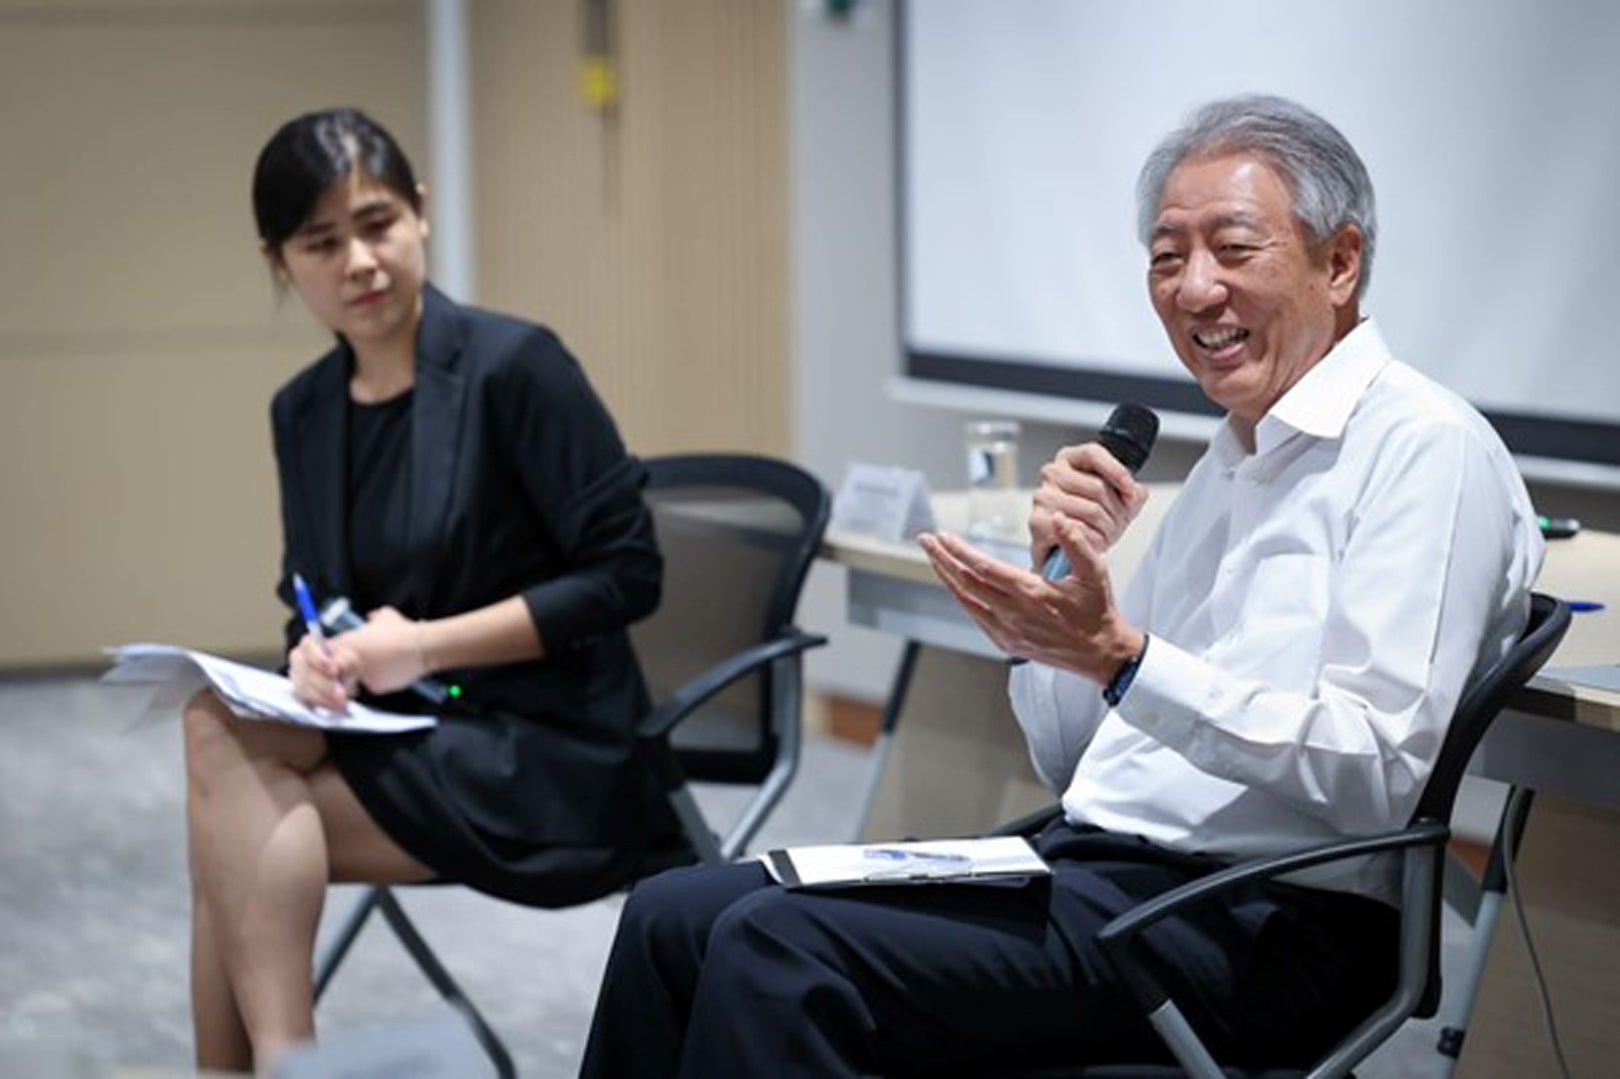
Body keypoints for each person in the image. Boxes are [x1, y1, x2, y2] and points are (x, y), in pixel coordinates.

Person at [577, 94, 1544, 1078]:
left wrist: (1123, 659)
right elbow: (1073, 753)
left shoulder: (1424, 450)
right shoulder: (1229, 462)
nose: (1194, 289)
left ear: (1339, 263)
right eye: (1167, 257)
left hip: (1264, 918)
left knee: (778, 952)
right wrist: (1052, 615)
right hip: (1103, 866)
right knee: (674, 911)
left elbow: (1374, 771)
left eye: (1232, 248)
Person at [182, 107, 675, 1072]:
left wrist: (425, 645)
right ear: (280, 261)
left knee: (227, 835)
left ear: (420, 216)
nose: (360, 261)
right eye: (322, 242)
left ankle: (269, 1064)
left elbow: (628, 571)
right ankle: (283, 1061)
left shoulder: (515, 367)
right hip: (400, 729)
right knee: (212, 727)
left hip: (543, 751)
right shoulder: (306, 411)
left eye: (377, 224)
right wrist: (313, 650)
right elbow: (312, 589)